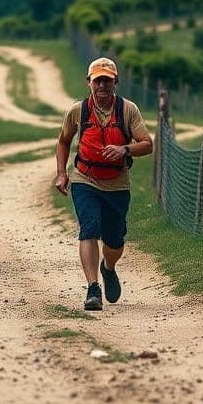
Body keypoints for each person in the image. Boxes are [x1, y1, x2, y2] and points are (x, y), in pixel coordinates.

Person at [55, 57, 153, 310]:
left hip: (117, 183)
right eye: (97, 80)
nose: (102, 85)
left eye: (107, 80)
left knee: (114, 239)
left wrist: (124, 149)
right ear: (89, 82)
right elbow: (63, 140)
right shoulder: (78, 111)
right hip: (84, 178)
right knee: (89, 229)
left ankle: (108, 267)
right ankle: (92, 289)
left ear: (115, 82)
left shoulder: (127, 110)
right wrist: (62, 173)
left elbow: (147, 144)